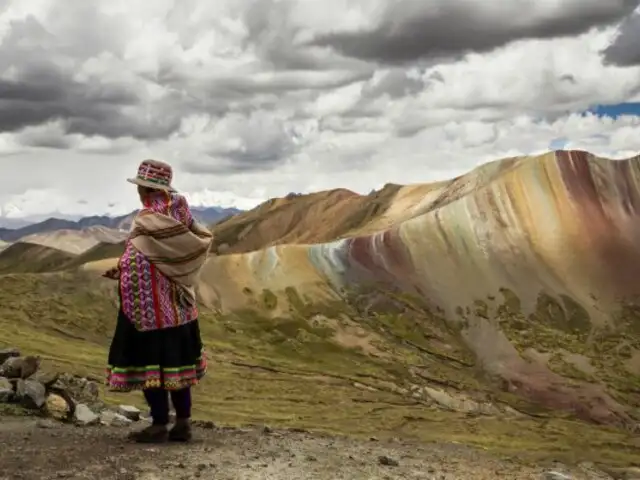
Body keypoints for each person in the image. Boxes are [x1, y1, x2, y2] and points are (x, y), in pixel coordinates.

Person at [103, 159, 213, 443]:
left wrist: (124, 271)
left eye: (140, 187)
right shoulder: (182, 217)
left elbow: (142, 260)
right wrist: (124, 270)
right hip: (179, 309)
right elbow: (171, 259)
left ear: (143, 189)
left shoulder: (147, 219)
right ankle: (183, 423)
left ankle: (160, 424)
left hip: (147, 313)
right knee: (177, 368)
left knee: (151, 369)